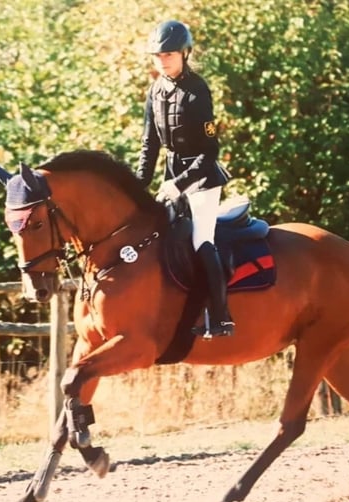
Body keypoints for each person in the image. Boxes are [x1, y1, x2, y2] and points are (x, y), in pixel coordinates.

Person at [135, 19, 235, 338]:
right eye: (157, 56)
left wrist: (179, 184)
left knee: (200, 239)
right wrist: (137, 187)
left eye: (169, 54)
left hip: (203, 177)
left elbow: (210, 151)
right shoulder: (156, 90)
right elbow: (149, 144)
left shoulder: (198, 91)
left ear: (184, 53)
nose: (162, 60)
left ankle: (220, 318)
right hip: (171, 174)